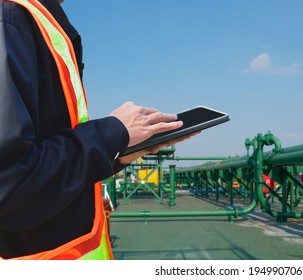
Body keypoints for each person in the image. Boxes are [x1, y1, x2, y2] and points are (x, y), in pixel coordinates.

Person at [0, 0, 195, 259]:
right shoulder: (10, 17)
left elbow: (47, 162)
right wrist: (111, 133)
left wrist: (122, 153)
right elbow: (10, 186)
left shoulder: (41, 23)